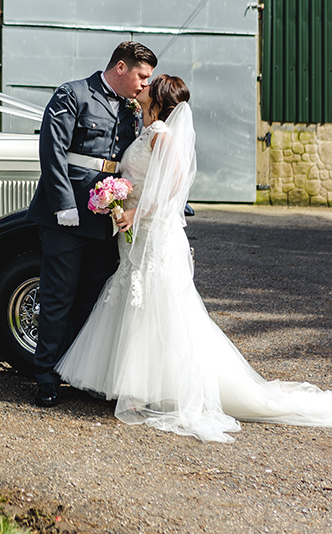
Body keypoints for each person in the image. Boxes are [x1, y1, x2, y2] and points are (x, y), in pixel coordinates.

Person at [56, 75, 332, 443]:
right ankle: (134, 384)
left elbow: (173, 184)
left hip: (152, 231)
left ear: (158, 99)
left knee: (156, 302)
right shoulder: (146, 129)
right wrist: (117, 197)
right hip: (133, 232)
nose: (142, 86)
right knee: (135, 296)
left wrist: (135, 213)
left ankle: (146, 391)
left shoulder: (163, 136)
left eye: (148, 85)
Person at [26, 41, 156, 407]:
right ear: (120, 67)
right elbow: (52, 151)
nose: (145, 84)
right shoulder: (74, 94)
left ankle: (79, 372)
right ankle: (46, 374)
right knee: (57, 297)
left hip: (107, 220)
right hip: (68, 216)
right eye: (141, 76)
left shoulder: (134, 108)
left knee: (93, 299)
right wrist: (63, 204)